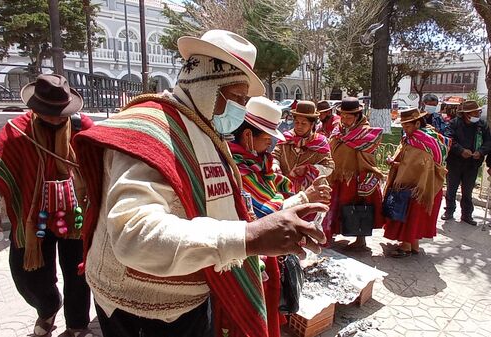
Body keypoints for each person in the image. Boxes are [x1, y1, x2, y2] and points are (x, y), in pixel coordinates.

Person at [73, 30, 327, 337]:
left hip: (191, 293)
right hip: (142, 309)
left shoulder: (201, 128)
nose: (242, 111)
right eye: (238, 99)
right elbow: (135, 235)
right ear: (208, 86)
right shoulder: (149, 131)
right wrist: (249, 237)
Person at [0, 74, 94, 337]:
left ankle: (77, 326)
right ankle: (48, 307)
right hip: (33, 219)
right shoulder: (16, 133)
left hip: (76, 218)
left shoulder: (82, 127)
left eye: (60, 112)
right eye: (49, 112)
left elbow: (103, 168)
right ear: (35, 108)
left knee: (79, 275)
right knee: (29, 276)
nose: (55, 118)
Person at [229, 96, 331, 337]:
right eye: (267, 139)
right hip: (248, 254)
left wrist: (307, 192)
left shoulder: (260, 161)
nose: (271, 145)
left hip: (268, 250)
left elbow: (278, 186)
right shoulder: (236, 166)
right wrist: (304, 198)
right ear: (247, 137)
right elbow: (260, 212)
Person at [384, 108, 449, 257]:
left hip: (420, 185)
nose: (405, 130)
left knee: (411, 214)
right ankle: (414, 245)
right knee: (415, 215)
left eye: (407, 126)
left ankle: (406, 246)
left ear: (417, 123)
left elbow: (413, 165)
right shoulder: (415, 138)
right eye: (403, 127)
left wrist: (395, 164)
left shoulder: (422, 142)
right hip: (422, 184)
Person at [325, 97, 384, 249]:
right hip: (337, 176)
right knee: (335, 205)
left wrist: (362, 176)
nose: (344, 119)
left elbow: (368, 156)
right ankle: (332, 232)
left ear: (357, 116)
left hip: (356, 177)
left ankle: (360, 239)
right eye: (342, 115)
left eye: (348, 116)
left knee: (357, 206)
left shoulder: (365, 133)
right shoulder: (339, 129)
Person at [441, 101, 491, 225]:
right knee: (451, 188)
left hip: (472, 164)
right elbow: (448, 139)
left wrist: (480, 152)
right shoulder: (454, 123)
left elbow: (489, 142)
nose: (478, 114)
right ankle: (449, 210)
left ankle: (466, 214)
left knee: (468, 191)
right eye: (475, 112)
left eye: (478, 111)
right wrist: (461, 150)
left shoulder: (482, 125)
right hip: (455, 162)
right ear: (466, 114)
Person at [273, 101, 335, 193]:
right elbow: (275, 155)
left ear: (312, 124)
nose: (299, 126)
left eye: (303, 123)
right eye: (297, 122)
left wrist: (309, 169)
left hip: (312, 192)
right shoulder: (286, 139)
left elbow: (329, 166)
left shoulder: (320, 142)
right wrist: (275, 165)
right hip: (284, 189)